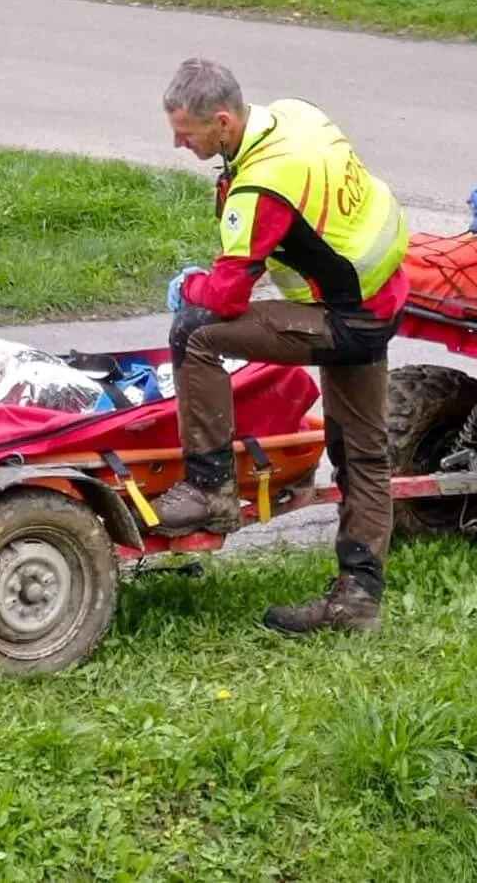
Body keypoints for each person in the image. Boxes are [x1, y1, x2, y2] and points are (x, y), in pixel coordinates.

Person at [154, 57, 411, 636]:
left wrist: (188, 286)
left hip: (347, 316)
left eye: (185, 131)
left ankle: (209, 487)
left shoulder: (262, 183)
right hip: (382, 293)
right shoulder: (295, 116)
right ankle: (358, 603)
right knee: (363, 454)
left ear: (222, 122)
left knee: (194, 331)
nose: (176, 142)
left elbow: (223, 296)